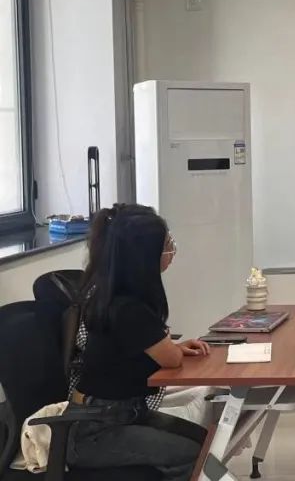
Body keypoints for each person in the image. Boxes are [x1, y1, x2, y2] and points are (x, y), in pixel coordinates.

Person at [67, 204, 209, 481]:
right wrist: (173, 349)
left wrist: (174, 347)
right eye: (166, 245)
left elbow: (149, 350)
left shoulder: (114, 296)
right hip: (95, 431)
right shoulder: (127, 309)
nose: (172, 251)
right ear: (143, 256)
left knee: (203, 439)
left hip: (122, 415)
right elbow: (171, 359)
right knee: (192, 452)